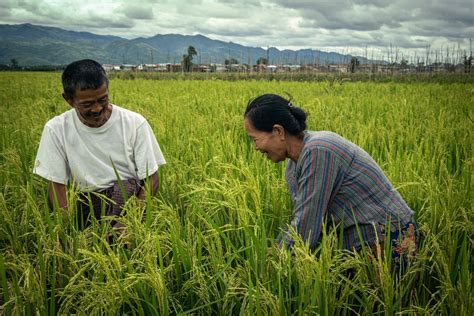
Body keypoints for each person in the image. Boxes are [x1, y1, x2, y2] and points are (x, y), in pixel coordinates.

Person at [244, 94, 417, 268]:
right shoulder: (293, 166)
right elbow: (301, 218)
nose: (256, 147)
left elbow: (306, 225)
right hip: (357, 245)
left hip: (388, 238)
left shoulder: (318, 150)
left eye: (255, 139)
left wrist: (271, 264)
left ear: (278, 131)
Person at [33, 59, 166, 237]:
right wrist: (69, 233)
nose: (97, 109)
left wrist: (129, 221)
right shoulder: (56, 129)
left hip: (129, 202)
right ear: (68, 100)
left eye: (102, 100)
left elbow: (152, 179)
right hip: (85, 205)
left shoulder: (134, 123)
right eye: (87, 104)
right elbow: (57, 186)